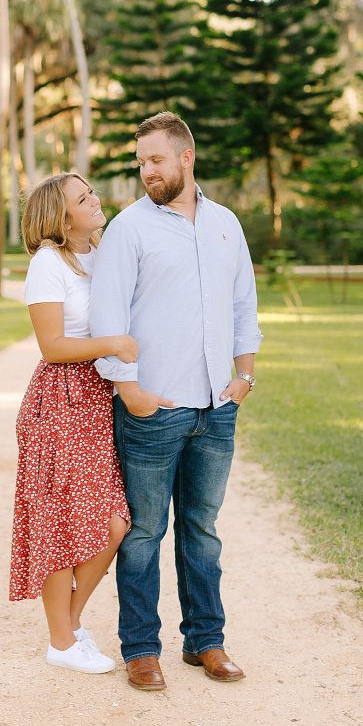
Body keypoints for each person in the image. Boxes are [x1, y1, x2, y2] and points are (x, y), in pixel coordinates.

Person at [89, 112, 263, 691]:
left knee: (202, 529)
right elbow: (107, 314)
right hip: (153, 410)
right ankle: (141, 649)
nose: (146, 171)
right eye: (140, 162)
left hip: (217, 406)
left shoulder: (225, 225)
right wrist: (129, 390)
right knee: (143, 533)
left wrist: (244, 378)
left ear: (186, 157)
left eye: (155, 159)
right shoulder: (128, 229)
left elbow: (244, 305)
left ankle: (206, 642)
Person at [10, 171, 146, 675]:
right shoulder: (48, 264)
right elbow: (52, 346)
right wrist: (112, 345)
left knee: (113, 523)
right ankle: (64, 640)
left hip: (95, 400)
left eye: (91, 193)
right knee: (62, 524)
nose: (94, 201)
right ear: (60, 217)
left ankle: (65, 628)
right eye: (82, 198)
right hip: (59, 401)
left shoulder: (103, 254)